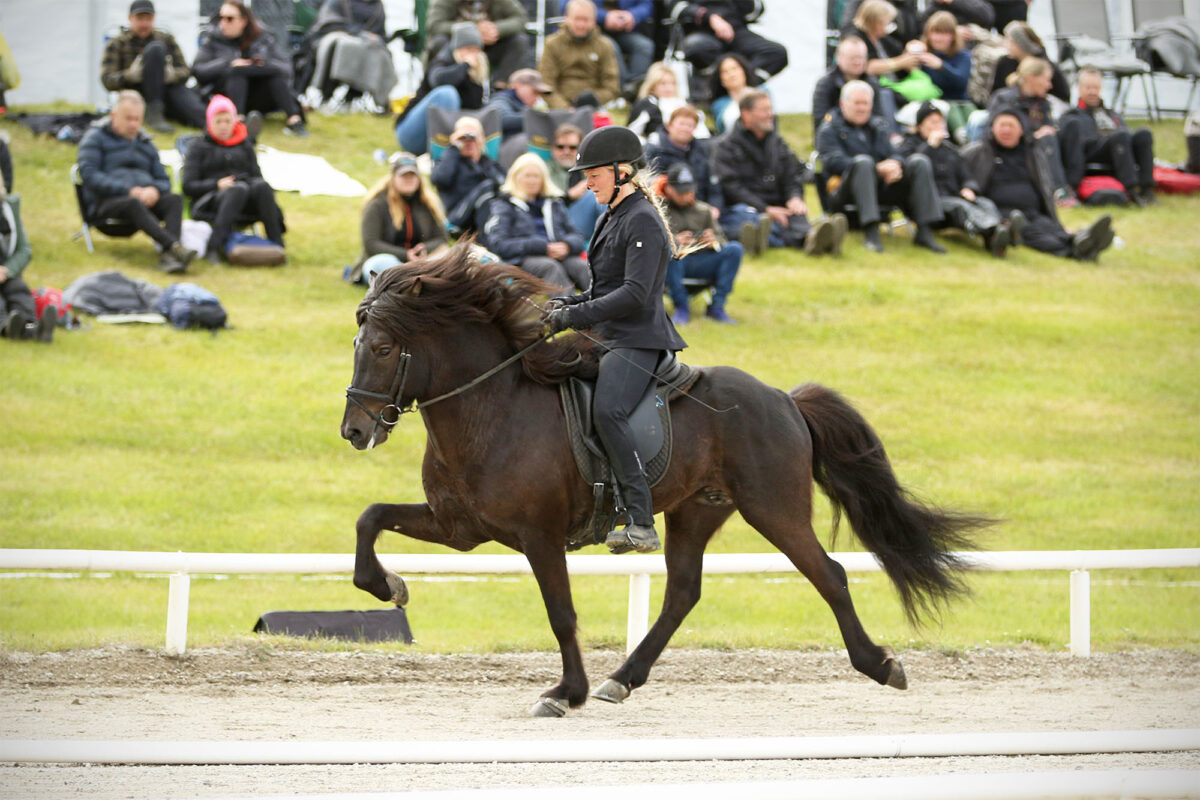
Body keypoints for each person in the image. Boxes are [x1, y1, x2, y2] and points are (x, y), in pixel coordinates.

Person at [540, 125, 687, 555]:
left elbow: (635, 294)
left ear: (622, 172)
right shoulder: (613, 215)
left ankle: (640, 520)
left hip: (637, 338)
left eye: (594, 174)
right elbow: (603, 287)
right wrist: (563, 304)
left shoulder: (641, 218)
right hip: (609, 333)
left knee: (608, 410)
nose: (587, 183)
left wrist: (574, 315)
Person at [962, 108, 1114, 261]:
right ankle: (1077, 248)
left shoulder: (1031, 153)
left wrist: (1056, 221)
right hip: (1003, 213)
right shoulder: (978, 152)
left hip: (1033, 211)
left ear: (1021, 130)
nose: (1006, 130)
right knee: (1032, 232)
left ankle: (1082, 240)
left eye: (1011, 126)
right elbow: (960, 173)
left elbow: (1044, 187)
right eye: (1002, 125)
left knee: (1049, 227)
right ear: (992, 128)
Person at [815, 80, 945, 253]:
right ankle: (871, 234)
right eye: (857, 103)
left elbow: (894, 152)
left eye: (866, 103)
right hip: (844, 192)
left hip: (880, 188)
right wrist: (877, 168)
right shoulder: (828, 130)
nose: (862, 108)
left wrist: (895, 165)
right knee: (863, 163)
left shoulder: (878, 126)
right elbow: (834, 163)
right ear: (842, 104)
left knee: (919, 162)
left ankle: (925, 232)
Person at [77, 91, 196, 273]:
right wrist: (130, 191)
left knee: (174, 199)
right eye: (128, 118)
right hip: (107, 202)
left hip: (145, 201)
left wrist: (154, 190)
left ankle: (168, 257)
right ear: (114, 116)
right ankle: (174, 246)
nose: (134, 124)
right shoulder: (95, 138)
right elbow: (89, 175)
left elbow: (163, 179)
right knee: (132, 202)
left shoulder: (146, 143)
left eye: (137, 119)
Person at [714, 91, 845, 257]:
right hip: (748, 208)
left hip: (780, 206)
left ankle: (814, 238)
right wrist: (767, 209)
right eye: (764, 110)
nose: (770, 114)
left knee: (796, 215)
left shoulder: (777, 142)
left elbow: (792, 175)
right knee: (757, 221)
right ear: (746, 114)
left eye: (770, 109)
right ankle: (812, 238)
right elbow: (731, 187)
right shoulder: (726, 147)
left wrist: (794, 198)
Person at [899, 101, 1014, 256]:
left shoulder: (950, 149)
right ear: (920, 125)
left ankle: (999, 233)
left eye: (940, 122)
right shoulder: (909, 144)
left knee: (984, 203)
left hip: (955, 195)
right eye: (932, 122)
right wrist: (930, 146)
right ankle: (999, 232)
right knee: (961, 207)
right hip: (932, 202)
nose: (938, 126)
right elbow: (910, 168)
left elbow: (966, 174)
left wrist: (969, 188)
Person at [182, 94, 286, 264]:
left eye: (227, 121)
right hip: (211, 199)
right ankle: (213, 248)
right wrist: (216, 184)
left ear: (235, 121)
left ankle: (278, 245)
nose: (223, 126)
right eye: (218, 121)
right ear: (210, 123)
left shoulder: (244, 145)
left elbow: (257, 176)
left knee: (262, 186)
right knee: (237, 190)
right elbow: (188, 186)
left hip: (245, 197)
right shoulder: (198, 146)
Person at [193, 1, 308, 136]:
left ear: (243, 21)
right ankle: (238, 121)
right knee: (236, 72)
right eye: (220, 18)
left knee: (273, 76)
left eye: (229, 19)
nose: (223, 22)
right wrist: (229, 63)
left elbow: (285, 68)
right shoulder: (213, 39)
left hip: (259, 96)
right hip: (224, 95)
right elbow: (198, 71)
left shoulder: (262, 37)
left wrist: (258, 65)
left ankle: (294, 120)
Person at [484, 153, 589, 292]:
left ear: (543, 179)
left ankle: (603, 304)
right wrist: (539, 246)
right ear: (515, 178)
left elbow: (577, 235)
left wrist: (567, 246)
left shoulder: (554, 203)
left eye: (536, 176)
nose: (532, 180)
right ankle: (567, 310)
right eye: (527, 176)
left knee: (581, 267)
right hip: (522, 260)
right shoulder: (504, 205)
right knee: (550, 267)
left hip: (558, 255)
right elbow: (498, 244)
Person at [100, 0, 206, 133]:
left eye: (148, 19)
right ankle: (154, 113)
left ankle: (215, 122)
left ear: (154, 19)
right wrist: (130, 75)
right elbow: (107, 79)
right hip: (135, 93)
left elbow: (185, 71)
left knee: (196, 111)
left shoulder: (166, 39)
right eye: (140, 19)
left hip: (166, 90)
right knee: (155, 50)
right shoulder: (117, 43)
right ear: (130, 18)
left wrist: (171, 75)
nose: (144, 24)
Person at [1059, 66, 1157, 207]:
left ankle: (1146, 188)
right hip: (1094, 152)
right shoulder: (1072, 117)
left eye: (1096, 88)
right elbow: (1075, 147)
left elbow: (1124, 130)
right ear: (1079, 88)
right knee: (1120, 136)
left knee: (1144, 134)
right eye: (1088, 87)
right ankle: (1130, 188)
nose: (1092, 92)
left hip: (1120, 147)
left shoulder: (1110, 113)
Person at [660, 162, 743, 325]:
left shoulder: (703, 210)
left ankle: (717, 306)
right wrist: (674, 240)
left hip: (701, 261)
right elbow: (649, 241)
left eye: (689, 191)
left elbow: (722, 240)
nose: (687, 196)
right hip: (672, 265)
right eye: (681, 192)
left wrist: (712, 241)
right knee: (670, 249)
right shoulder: (658, 209)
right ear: (669, 189)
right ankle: (681, 306)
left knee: (735, 249)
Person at [988, 56, 1075, 206]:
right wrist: (1033, 135)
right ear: (1031, 78)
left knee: (1063, 134)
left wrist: (1048, 131)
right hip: (1010, 151)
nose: (1049, 85)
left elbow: (1049, 127)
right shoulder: (1003, 98)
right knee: (1046, 140)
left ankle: (1068, 188)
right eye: (1046, 80)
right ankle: (1058, 192)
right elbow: (995, 129)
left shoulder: (1043, 104)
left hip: (1039, 147)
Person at [352, 152, 449, 284]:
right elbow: (371, 244)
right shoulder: (377, 205)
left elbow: (442, 239)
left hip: (423, 261)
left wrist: (422, 249)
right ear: (393, 177)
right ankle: (411, 282)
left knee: (454, 255)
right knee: (381, 264)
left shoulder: (427, 204)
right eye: (404, 175)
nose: (409, 179)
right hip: (390, 261)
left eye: (412, 175)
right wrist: (406, 254)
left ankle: (417, 282)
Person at [394, 22, 490, 155]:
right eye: (468, 49)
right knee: (447, 94)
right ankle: (443, 152)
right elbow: (438, 80)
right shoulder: (442, 61)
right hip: (411, 133)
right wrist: (464, 65)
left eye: (475, 50)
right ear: (457, 48)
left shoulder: (477, 76)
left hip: (441, 140)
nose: (472, 55)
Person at [307, 0, 397, 110]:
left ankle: (351, 97)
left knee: (379, 53)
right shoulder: (337, 2)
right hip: (337, 37)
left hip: (367, 47)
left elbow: (380, 33)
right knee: (345, 45)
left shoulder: (377, 6)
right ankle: (327, 95)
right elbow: (329, 22)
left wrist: (379, 39)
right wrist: (360, 34)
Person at [675, 0, 788, 87]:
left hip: (736, 30)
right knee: (699, 49)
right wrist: (709, 17)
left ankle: (743, 87)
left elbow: (755, 11)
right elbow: (675, 8)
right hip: (701, 29)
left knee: (777, 53)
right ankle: (717, 89)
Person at [426, 0, 531, 88]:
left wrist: (496, 29)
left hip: (490, 47)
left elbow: (521, 18)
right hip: (455, 48)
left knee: (519, 40)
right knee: (439, 41)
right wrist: (473, 29)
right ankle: (442, 82)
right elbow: (435, 25)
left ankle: (500, 86)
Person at [539, 0, 621, 111]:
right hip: (561, 107)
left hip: (594, 106)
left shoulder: (604, 46)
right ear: (567, 17)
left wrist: (590, 102)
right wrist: (565, 108)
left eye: (586, 20)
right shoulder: (552, 44)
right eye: (577, 19)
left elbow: (611, 86)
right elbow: (546, 85)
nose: (581, 25)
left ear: (594, 21)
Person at [561, 0, 655, 96]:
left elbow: (646, 4)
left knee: (644, 46)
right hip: (594, 29)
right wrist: (605, 16)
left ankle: (635, 90)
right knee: (611, 47)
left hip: (627, 29)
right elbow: (566, 5)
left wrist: (633, 15)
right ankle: (622, 92)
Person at [431, 115, 506, 234]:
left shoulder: (489, 163)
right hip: (459, 218)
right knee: (487, 188)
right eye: (464, 137)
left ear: (482, 139)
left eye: (473, 137)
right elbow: (439, 179)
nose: (469, 141)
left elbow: (506, 185)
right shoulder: (450, 161)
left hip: (490, 213)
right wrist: (454, 147)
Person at [645, 105, 722, 214]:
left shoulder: (703, 150)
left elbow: (713, 184)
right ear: (669, 126)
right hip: (670, 210)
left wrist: (715, 207)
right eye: (681, 124)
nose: (685, 129)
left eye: (690, 125)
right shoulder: (655, 150)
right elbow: (652, 186)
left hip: (702, 209)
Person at [1, 183, 53, 343]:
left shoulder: (9, 209)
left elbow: (24, 249)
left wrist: (8, 270)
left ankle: (32, 327)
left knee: (19, 289)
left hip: (6, 273)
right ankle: (6, 327)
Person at [812, 36, 891, 137]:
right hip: (836, 138)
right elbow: (821, 122)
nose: (857, 62)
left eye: (861, 58)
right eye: (852, 58)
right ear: (838, 57)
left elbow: (880, 118)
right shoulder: (825, 85)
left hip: (867, 139)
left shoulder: (872, 83)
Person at [545, 122, 603, 244]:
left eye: (572, 147)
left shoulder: (588, 169)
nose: (566, 151)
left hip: (587, 219)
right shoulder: (543, 170)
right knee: (593, 196)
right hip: (559, 221)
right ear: (553, 149)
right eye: (560, 147)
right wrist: (569, 196)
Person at [628, 62, 710, 140]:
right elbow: (631, 134)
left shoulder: (685, 103)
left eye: (673, 84)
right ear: (652, 86)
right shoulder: (647, 104)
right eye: (663, 84)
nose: (669, 88)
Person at [991, 21, 1069, 101]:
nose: (1006, 45)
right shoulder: (1005, 63)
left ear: (1022, 44)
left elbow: (1063, 96)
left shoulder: (1044, 67)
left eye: (1010, 41)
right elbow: (995, 92)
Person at [484, 68, 551, 139]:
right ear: (517, 85)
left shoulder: (521, 104)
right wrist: (538, 117)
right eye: (534, 92)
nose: (537, 97)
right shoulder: (501, 99)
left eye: (539, 94)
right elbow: (500, 119)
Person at [920, 11, 972, 101]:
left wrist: (940, 66)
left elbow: (961, 83)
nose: (939, 38)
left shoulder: (963, 56)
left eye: (944, 33)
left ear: (953, 36)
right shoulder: (923, 54)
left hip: (955, 105)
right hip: (927, 105)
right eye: (935, 33)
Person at [708, 52, 764, 135]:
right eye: (725, 72)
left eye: (734, 69)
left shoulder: (762, 93)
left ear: (744, 71)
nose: (731, 75)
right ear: (721, 79)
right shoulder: (719, 105)